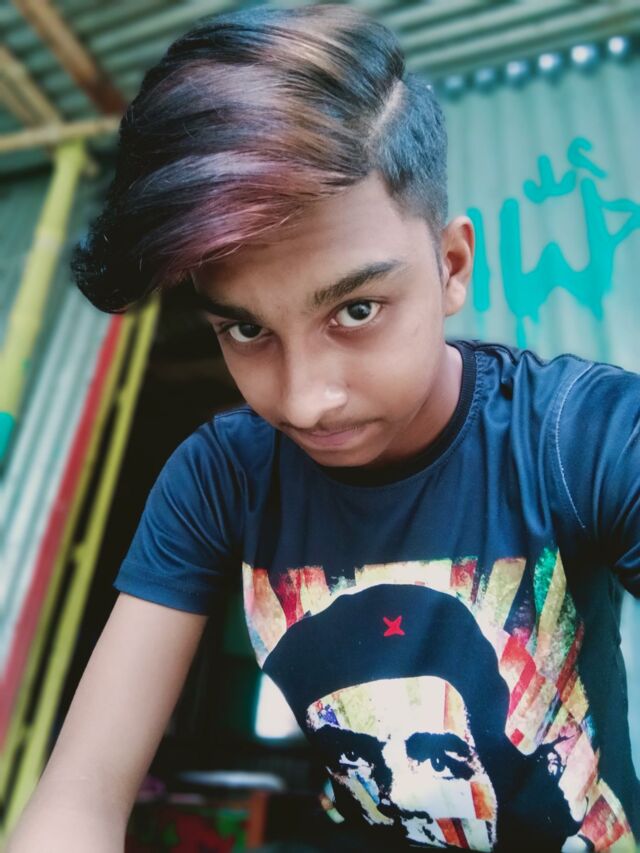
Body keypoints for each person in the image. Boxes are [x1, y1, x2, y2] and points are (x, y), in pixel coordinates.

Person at [7, 4, 639, 852]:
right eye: (246, 328)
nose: (305, 401)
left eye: (357, 309)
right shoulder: (220, 479)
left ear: (451, 265)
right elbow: (78, 798)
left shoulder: (582, 438)